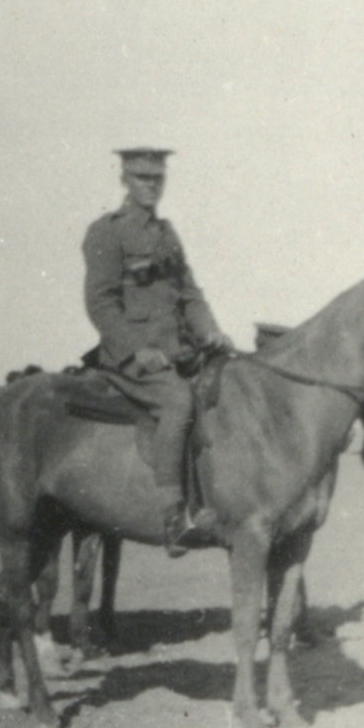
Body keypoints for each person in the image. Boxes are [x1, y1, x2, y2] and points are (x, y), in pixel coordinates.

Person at [82, 147, 231, 555]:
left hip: (178, 352)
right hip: (130, 360)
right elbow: (101, 303)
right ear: (124, 180)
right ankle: (172, 518)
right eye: (142, 178)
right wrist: (136, 351)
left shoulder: (166, 234)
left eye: (157, 178)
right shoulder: (107, 232)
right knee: (178, 402)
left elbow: (189, 293)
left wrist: (211, 330)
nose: (151, 185)